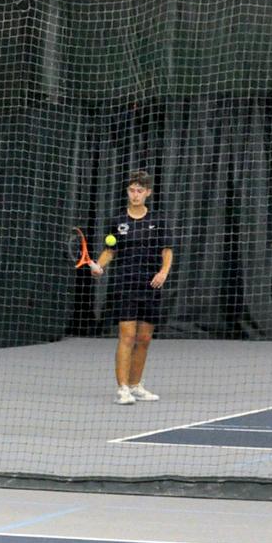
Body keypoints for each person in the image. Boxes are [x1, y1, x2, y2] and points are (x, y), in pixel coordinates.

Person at [91, 170, 173, 405]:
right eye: (131, 190)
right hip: (124, 284)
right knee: (127, 336)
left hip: (151, 285)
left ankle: (136, 385)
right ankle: (123, 389)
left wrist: (163, 272)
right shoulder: (118, 221)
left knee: (145, 338)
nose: (135, 195)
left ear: (147, 193)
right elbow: (109, 251)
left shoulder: (158, 220)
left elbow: (167, 251)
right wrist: (98, 266)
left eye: (139, 190)